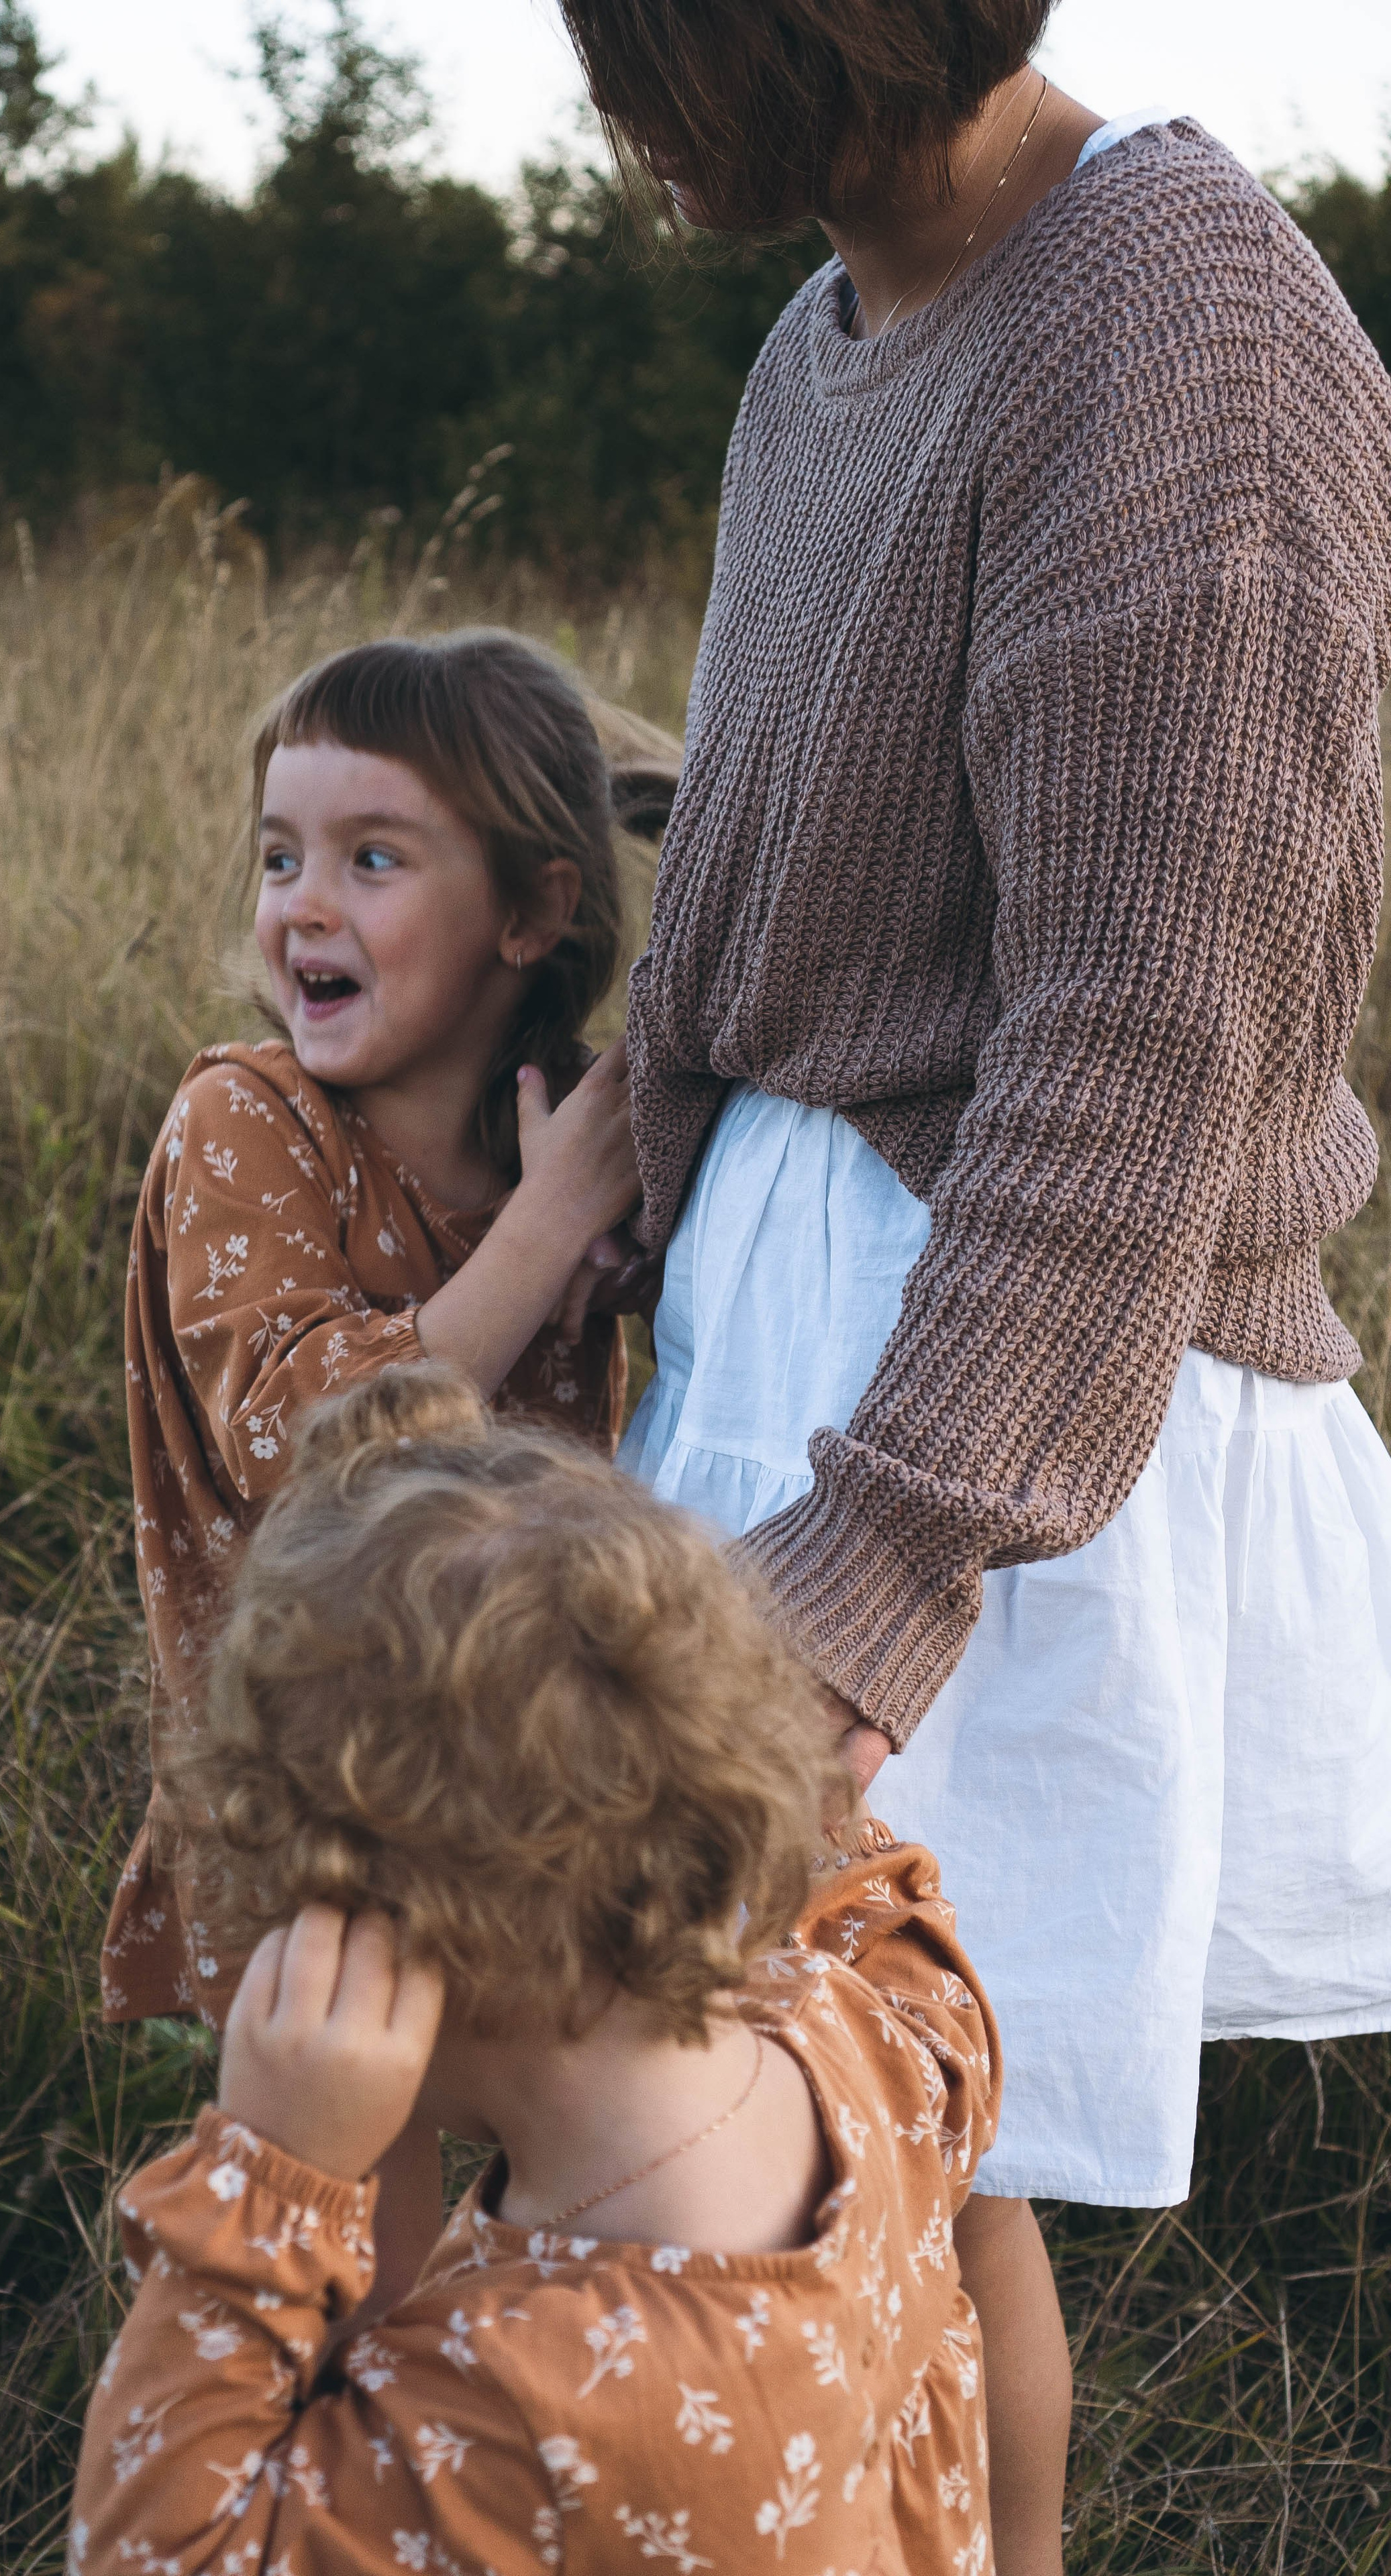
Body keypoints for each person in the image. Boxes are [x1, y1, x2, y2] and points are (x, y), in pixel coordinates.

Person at [546, 2, 1391, 2569]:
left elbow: (1151, 1028)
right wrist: (630, 1218)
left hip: (990, 1385)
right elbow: (775, 858)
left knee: (891, 2140)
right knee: (758, 2126)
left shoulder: (1175, 308)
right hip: (779, 1335)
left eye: (664, 45)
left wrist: (876, 1575)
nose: (627, 112)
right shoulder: (820, 339)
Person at [70, 1368, 1002, 2576]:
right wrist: (786, 1819)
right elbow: (890, 1931)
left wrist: (273, 2184)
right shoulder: (870, 2036)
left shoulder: (531, 2406)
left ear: (381, 1931)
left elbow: (163, 2555)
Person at [101, 632, 647, 2277]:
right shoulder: (249, 1120)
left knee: (587, 2166)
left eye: (372, 857)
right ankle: (338, 2469)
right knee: (357, 2217)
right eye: (280, 856)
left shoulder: (547, 1140)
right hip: (319, 1777)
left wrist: (612, 1243)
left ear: (531, 915)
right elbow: (310, 1445)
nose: (302, 904)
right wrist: (555, 1226)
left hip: (529, 1747)